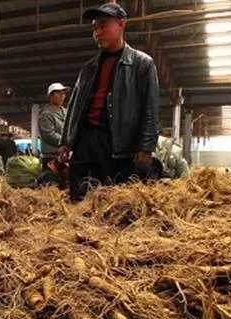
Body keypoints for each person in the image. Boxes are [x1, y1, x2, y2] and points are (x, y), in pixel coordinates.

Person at [60, 2, 159, 201]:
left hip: (118, 144)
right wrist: (66, 142)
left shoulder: (142, 64)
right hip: (85, 141)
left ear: (122, 24)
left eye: (103, 25)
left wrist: (146, 147)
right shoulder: (88, 68)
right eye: (94, 27)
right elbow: (74, 107)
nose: (97, 32)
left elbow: (150, 109)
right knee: (79, 197)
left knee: (114, 201)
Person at [38, 82, 70, 187]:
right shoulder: (45, 114)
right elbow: (49, 134)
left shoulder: (66, 112)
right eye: (59, 93)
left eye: (64, 93)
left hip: (65, 156)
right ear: (51, 96)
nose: (62, 96)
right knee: (52, 187)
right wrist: (65, 142)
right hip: (51, 157)